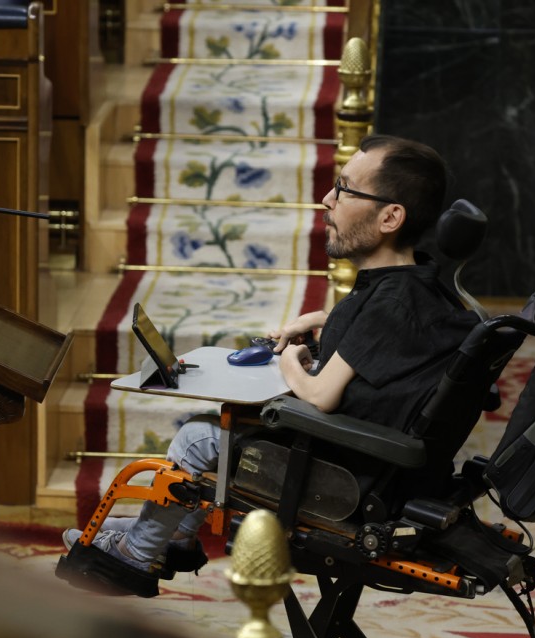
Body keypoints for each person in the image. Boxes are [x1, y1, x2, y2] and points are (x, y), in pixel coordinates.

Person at [63, 134, 480, 590]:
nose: (326, 200)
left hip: (343, 481)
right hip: (374, 468)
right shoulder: (421, 286)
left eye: (344, 189)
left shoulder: (391, 303)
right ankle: (174, 537)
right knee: (221, 427)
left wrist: (291, 360)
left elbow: (321, 395)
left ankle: (137, 557)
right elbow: (393, 335)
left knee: (197, 437)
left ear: (390, 217)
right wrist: (326, 319)